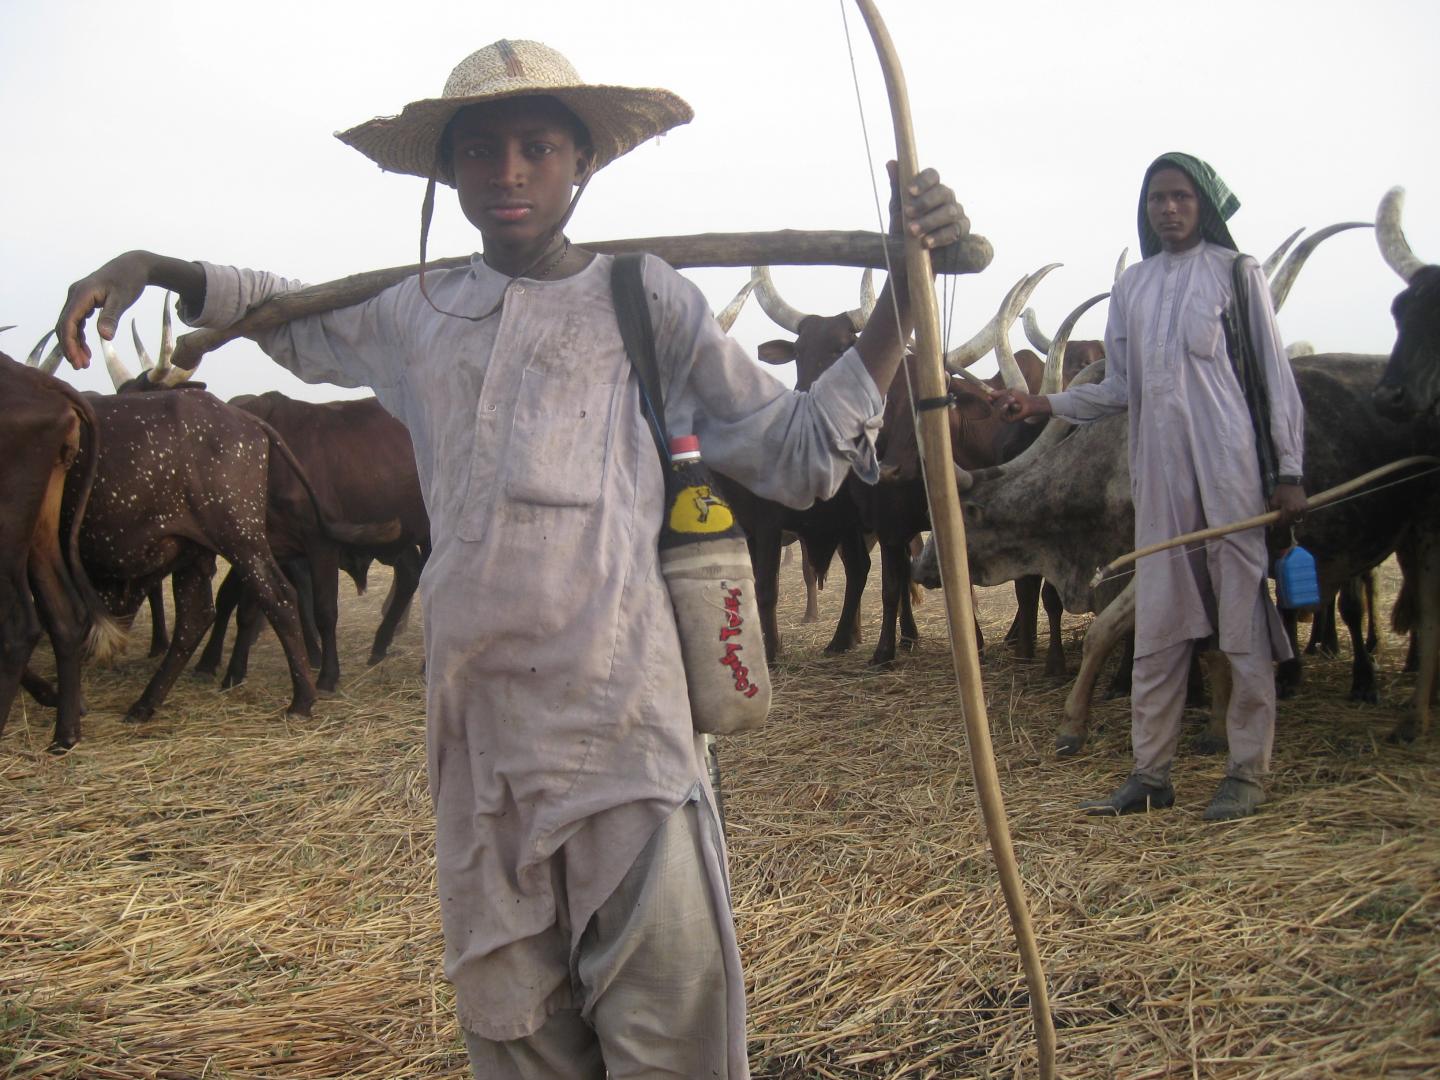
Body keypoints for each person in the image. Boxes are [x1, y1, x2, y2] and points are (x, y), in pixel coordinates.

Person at [57, 40, 968, 1079]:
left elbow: (803, 454)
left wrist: (905, 293)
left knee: (667, 1037)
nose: (510, 173)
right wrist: (151, 265)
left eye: (539, 147)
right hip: (478, 738)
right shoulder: (417, 311)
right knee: (516, 1028)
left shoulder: (646, 300)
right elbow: (284, 309)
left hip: (627, 733)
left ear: (583, 161)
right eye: (481, 152)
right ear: (448, 176)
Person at [992, 152, 1306, 823]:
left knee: (1244, 625)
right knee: (1159, 625)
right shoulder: (1134, 286)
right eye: (1157, 198)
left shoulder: (1236, 273)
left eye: (1181, 197)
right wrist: (1043, 407)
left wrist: (1288, 472)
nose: (1168, 209)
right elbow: (1118, 388)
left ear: (1205, 206)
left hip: (1230, 477)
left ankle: (1247, 772)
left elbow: (1275, 380)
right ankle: (1150, 774)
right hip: (1157, 482)